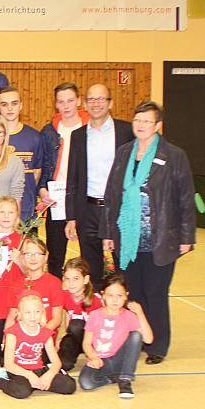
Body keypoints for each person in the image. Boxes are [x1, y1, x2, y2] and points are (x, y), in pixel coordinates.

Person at [101, 101, 195, 364]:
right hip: (128, 238)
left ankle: (158, 346)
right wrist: (108, 232)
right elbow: (112, 195)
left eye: (146, 121)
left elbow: (186, 199)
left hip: (160, 238)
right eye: (137, 120)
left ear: (157, 126)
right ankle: (136, 338)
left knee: (156, 294)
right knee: (133, 293)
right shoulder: (124, 153)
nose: (141, 125)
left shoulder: (174, 155)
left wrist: (187, 237)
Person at [64, 83, 133, 288]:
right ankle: (94, 315)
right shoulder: (78, 136)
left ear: (110, 103)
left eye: (101, 99)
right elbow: (73, 178)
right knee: (91, 268)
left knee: (123, 267)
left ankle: (123, 316)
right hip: (89, 210)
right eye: (92, 99)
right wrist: (71, 217)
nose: (96, 104)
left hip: (118, 211)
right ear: (85, 104)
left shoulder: (126, 131)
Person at [39, 82, 89, 278]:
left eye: (70, 100)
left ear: (78, 101)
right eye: (61, 102)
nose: (66, 106)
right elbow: (43, 166)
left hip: (85, 200)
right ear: (56, 105)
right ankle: (56, 301)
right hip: (56, 200)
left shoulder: (91, 128)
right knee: (55, 255)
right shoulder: (49, 132)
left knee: (89, 255)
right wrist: (42, 190)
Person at [80, 274, 154, 398]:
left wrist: (140, 313)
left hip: (119, 359)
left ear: (126, 296)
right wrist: (93, 357)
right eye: (110, 295)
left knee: (136, 335)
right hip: (101, 361)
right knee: (86, 383)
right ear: (103, 295)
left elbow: (148, 339)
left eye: (119, 296)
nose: (115, 300)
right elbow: (86, 343)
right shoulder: (95, 315)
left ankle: (125, 379)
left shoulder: (129, 316)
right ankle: (112, 378)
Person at [0, 292, 76, 399]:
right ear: (19, 314)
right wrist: (29, 376)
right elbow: (9, 364)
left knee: (69, 386)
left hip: (38, 369)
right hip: (18, 371)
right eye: (28, 312)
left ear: (42, 313)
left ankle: (36, 384)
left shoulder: (45, 333)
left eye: (37, 312)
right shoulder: (12, 333)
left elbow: (56, 362)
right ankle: (2, 380)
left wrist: (49, 375)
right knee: (22, 392)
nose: (33, 316)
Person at [0, 86, 44, 222]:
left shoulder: (34, 136)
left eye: (14, 103)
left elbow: (36, 173)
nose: (10, 109)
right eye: (4, 105)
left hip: (26, 210)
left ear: (21, 105)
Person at [57, 258, 101, 371]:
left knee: (76, 324)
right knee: (64, 365)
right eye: (67, 279)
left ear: (85, 279)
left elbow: (101, 329)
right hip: (74, 340)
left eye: (76, 279)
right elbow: (64, 318)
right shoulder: (63, 296)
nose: (71, 283)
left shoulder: (96, 301)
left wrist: (92, 354)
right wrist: (59, 340)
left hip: (92, 340)